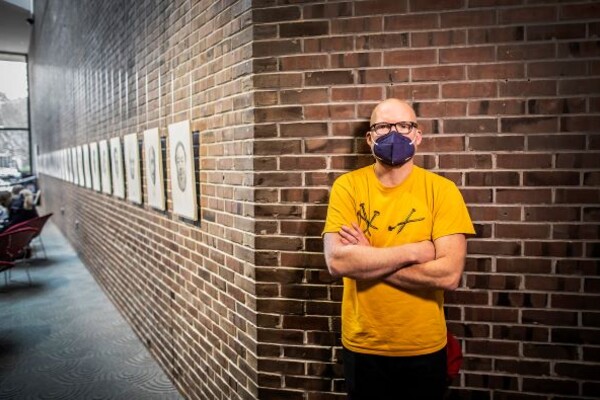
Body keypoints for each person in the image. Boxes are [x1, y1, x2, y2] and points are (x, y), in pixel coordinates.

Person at [322, 98, 475, 399]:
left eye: (404, 125)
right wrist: (415, 252)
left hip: (424, 346)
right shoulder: (347, 187)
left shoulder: (442, 191)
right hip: (363, 345)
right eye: (383, 126)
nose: (395, 134)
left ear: (417, 135)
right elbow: (338, 262)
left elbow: (448, 275)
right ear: (370, 138)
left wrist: (368, 260)